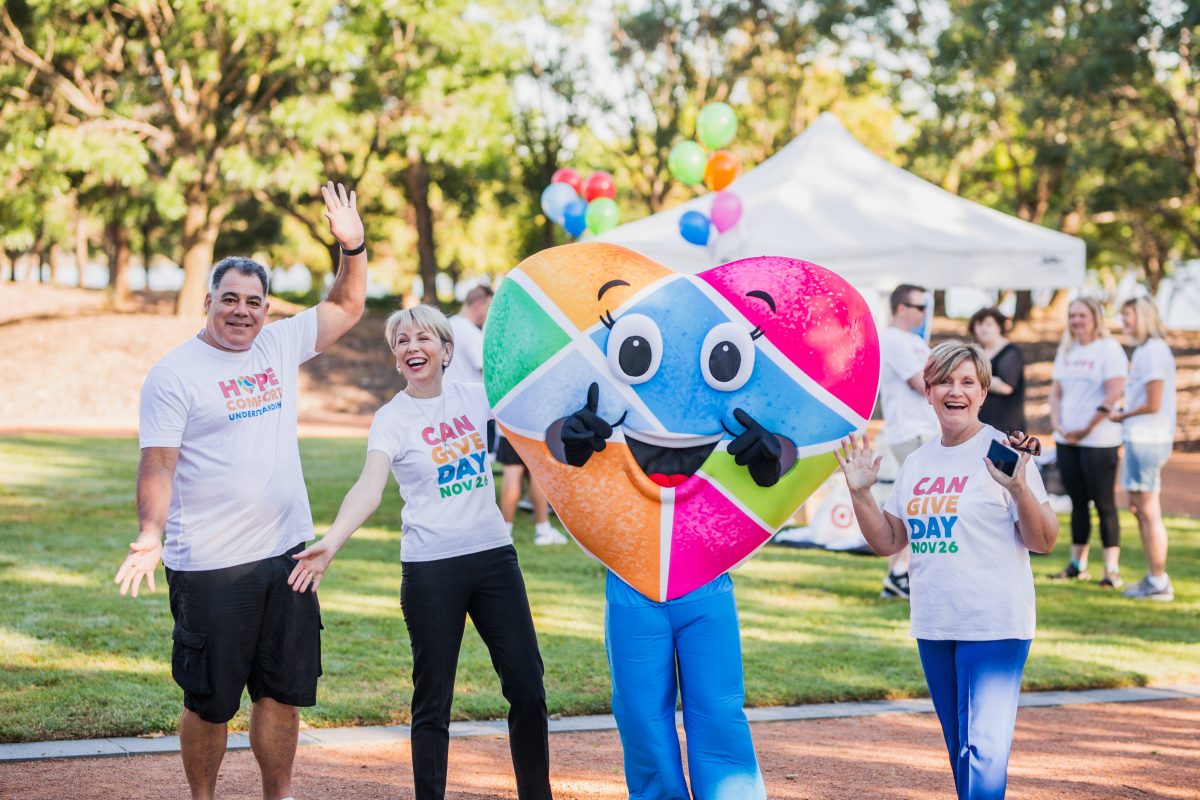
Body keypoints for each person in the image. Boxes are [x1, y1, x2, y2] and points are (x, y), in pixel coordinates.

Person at [113, 182, 367, 800]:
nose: (242, 311)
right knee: (210, 700)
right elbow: (159, 465)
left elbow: (349, 305)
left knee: (282, 694)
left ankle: (276, 796)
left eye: (254, 301)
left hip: (287, 558)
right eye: (230, 299)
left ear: (266, 307)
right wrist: (150, 534)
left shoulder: (278, 345)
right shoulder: (174, 374)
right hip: (210, 567)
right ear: (209, 300)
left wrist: (353, 245)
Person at [288, 305, 553, 800]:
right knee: (433, 701)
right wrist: (333, 540)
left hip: (495, 560)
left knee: (528, 688)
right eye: (402, 341)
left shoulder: (476, 398)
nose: (412, 347)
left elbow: (536, 397)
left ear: (447, 350)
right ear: (395, 358)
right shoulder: (392, 419)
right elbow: (369, 488)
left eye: (423, 338)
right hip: (431, 572)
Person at [837, 340, 1059, 800]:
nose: (954, 391)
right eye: (944, 382)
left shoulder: (1002, 450)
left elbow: (1044, 540)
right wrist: (861, 495)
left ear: (982, 393)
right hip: (936, 624)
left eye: (967, 382)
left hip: (994, 623)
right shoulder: (918, 463)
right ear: (928, 390)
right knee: (961, 749)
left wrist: (1019, 488)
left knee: (982, 749)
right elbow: (889, 541)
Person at [1049, 297, 1128, 587]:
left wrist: (1085, 428)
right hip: (1067, 439)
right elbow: (1056, 392)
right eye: (1072, 315)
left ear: (1095, 317)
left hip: (1099, 440)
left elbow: (1113, 394)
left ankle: (1111, 570)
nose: (1076, 320)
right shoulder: (1066, 349)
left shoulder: (1109, 349)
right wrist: (1058, 424)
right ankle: (1077, 564)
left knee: (1104, 504)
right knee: (1077, 503)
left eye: (1081, 315)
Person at [877, 283, 940, 599]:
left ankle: (898, 573)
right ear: (901, 308)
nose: (924, 313)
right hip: (911, 431)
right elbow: (923, 384)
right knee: (921, 507)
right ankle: (901, 572)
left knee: (917, 505)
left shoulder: (913, 341)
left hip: (924, 429)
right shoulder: (892, 339)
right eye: (920, 307)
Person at [1111, 297, 1177, 601]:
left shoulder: (1151, 352)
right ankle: (1154, 577)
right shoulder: (1146, 351)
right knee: (1139, 508)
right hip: (1143, 437)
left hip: (1148, 438)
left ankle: (1159, 581)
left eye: (1128, 317)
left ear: (1144, 318)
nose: (1124, 323)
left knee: (1148, 510)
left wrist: (1120, 414)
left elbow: (1152, 403)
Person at [969, 307, 1026, 432]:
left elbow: (1006, 386)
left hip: (1005, 424)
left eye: (988, 324)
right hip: (981, 423)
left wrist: (973, 377)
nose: (983, 328)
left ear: (999, 327)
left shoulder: (1011, 352)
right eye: (979, 324)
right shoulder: (978, 353)